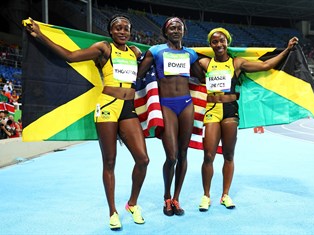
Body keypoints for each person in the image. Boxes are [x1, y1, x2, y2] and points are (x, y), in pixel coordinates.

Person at [25, 14, 150, 230]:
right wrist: (40, 35)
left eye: (126, 29)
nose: (122, 32)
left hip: (128, 109)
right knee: (109, 162)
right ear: (111, 31)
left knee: (143, 159)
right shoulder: (104, 48)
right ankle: (112, 212)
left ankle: (132, 204)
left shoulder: (135, 52)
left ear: (131, 32)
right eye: (118, 28)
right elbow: (71, 56)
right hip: (107, 107)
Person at [196, 27, 298, 211]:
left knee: (228, 154)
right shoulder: (204, 63)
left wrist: (287, 50)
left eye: (222, 41)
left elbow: (266, 66)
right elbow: (180, 60)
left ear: (227, 42)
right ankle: (206, 195)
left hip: (230, 111)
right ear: (210, 45)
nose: (219, 44)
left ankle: (225, 195)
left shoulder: (237, 63)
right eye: (214, 42)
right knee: (208, 155)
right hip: (212, 110)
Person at [137, 16, 201, 216]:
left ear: (184, 31)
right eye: (171, 28)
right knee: (171, 156)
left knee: (183, 154)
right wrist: (136, 54)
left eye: (179, 27)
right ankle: (166, 196)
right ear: (165, 32)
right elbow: (138, 74)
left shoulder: (190, 54)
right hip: (166, 105)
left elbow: (202, 76)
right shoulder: (155, 51)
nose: (175, 30)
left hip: (186, 104)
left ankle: (176, 198)